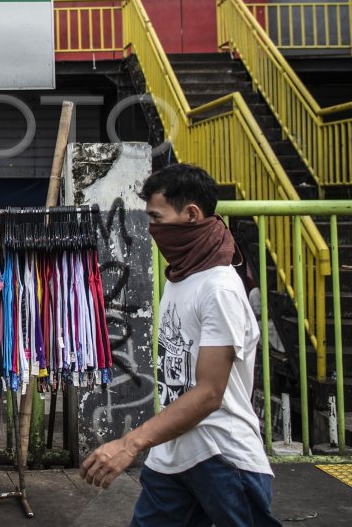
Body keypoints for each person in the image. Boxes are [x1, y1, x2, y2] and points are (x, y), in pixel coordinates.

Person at [79, 163, 279, 527]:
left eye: (157, 218)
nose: (152, 229)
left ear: (191, 215)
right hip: (172, 456)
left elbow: (208, 393)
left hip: (222, 457)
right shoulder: (181, 275)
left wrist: (130, 444)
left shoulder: (218, 289)